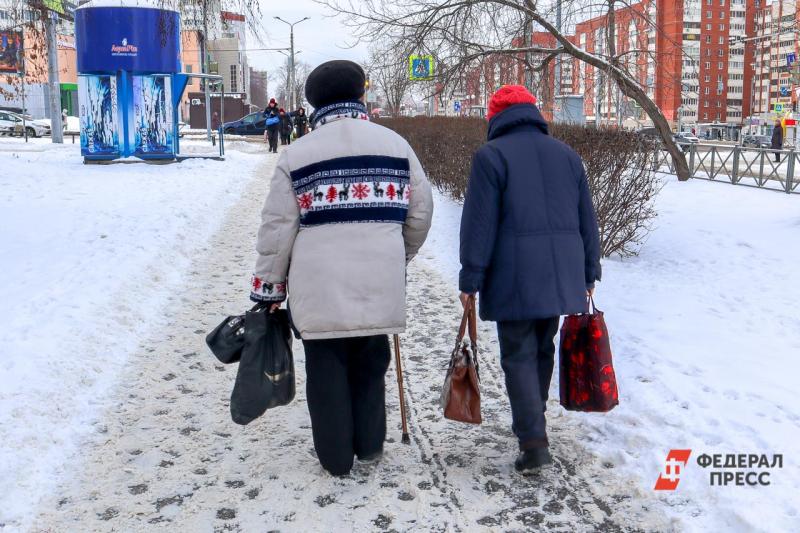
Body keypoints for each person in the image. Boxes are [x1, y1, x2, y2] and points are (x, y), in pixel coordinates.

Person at [249, 60, 433, 476]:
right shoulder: (395, 145)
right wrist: (397, 254)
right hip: (378, 282)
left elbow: (277, 228)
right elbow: (420, 215)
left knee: (326, 369)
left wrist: (269, 288)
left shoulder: (297, 155)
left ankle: (335, 459)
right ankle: (369, 446)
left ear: (313, 103)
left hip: (319, 289)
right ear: (361, 95)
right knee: (371, 363)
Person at [458, 85, 601, 474]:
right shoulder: (567, 155)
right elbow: (587, 219)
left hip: (515, 273)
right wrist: (590, 271)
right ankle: (531, 420)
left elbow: (479, 225)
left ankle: (533, 442)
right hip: (561, 272)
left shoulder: (491, 156)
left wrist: (470, 277)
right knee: (542, 347)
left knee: (518, 353)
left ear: (495, 117)